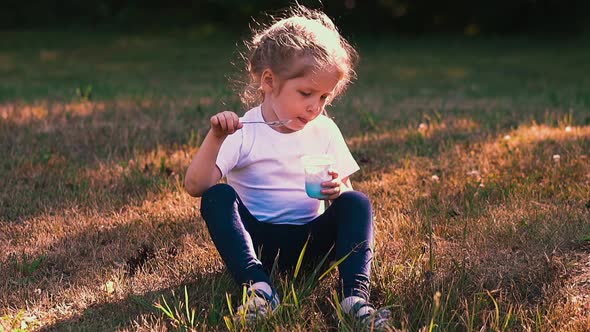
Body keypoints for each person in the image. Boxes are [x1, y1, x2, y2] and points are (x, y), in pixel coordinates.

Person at [185, 5, 391, 330]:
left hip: (311, 246)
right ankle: (258, 287)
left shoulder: (324, 130)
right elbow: (196, 186)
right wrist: (215, 137)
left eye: (324, 97)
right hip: (257, 243)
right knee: (217, 197)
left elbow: (345, 198)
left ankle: (354, 298)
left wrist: (338, 191)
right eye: (306, 93)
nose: (315, 106)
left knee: (357, 202)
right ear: (269, 80)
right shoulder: (244, 130)